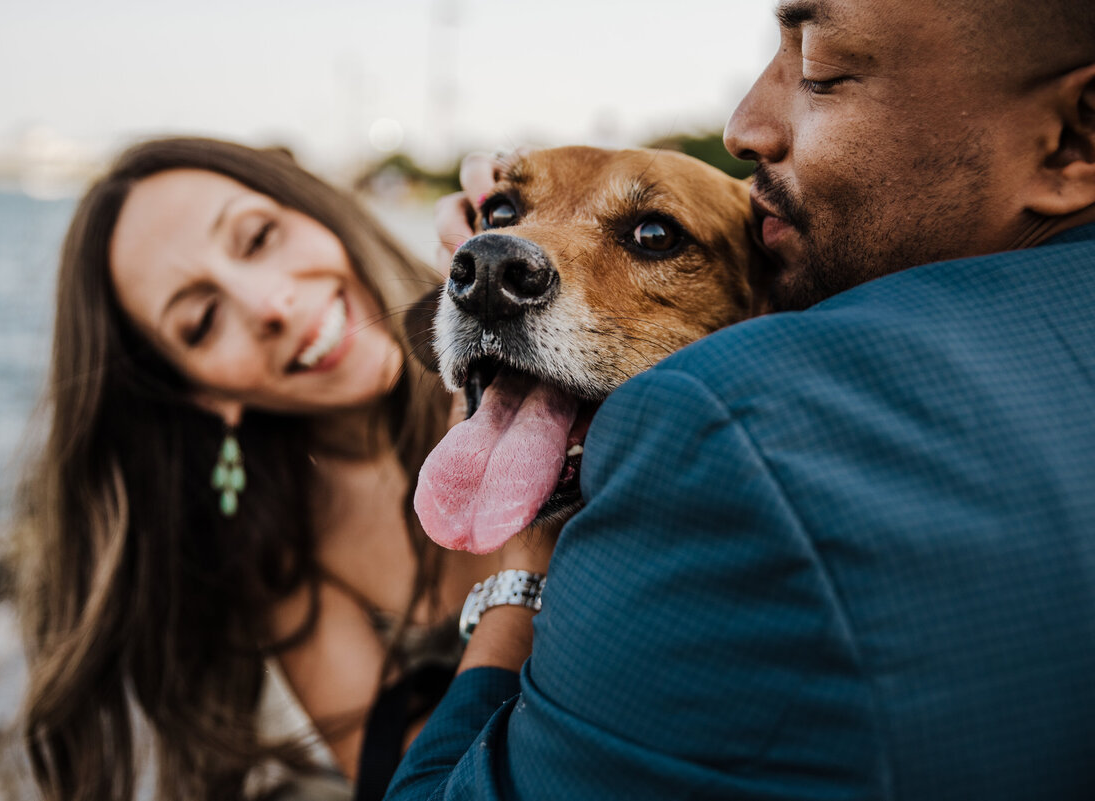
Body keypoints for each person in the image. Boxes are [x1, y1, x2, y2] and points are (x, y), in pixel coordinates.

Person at [385, 0, 1095, 798]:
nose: (741, 124)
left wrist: (517, 583)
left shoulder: (726, 440)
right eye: (507, 213)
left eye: (822, 69)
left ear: (1073, 138)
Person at [12, 137, 498, 801]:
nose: (272, 304)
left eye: (259, 237)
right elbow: (415, 784)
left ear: (315, 209)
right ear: (197, 390)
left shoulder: (529, 330)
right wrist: (525, 568)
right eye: (203, 320)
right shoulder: (270, 544)